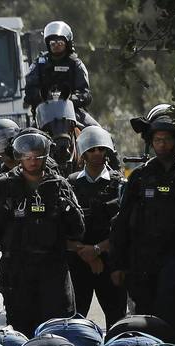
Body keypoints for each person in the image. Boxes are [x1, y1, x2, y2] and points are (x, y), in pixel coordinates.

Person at [108, 112, 175, 346]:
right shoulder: (140, 177)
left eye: (167, 139)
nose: (162, 144)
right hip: (142, 260)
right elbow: (122, 222)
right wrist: (117, 264)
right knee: (145, 313)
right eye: (157, 140)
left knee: (173, 308)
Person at [0, 130, 84, 337]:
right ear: (19, 156)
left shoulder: (58, 185)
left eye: (37, 156)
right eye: (27, 156)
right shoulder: (5, 185)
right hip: (18, 271)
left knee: (58, 331)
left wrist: (65, 208)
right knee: (22, 332)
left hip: (53, 270)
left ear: (45, 156)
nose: (32, 161)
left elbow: (78, 230)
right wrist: (4, 210)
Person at [66, 126, 124, 326]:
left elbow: (125, 228)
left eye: (101, 149)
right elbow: (61, 227)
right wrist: (87, 254)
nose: (97, 153)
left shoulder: (120, 184)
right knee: (74, 323)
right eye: (91, 150)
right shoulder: (70, 184)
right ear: (83, 153)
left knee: (117, 321)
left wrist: (98, 250)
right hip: (78, 262)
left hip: (111, 263)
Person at [24, 21, 95, 125]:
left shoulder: (76, 64)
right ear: (48, 44)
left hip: (75, 114)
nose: (56, 46)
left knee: (98, 131)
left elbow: (85, 94)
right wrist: (43, 96)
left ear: (67, 43)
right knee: (27, 134)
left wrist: (69, 98)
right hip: (43, 116)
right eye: (53, 43)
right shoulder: (39, 63)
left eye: (60, 43)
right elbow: (29, 92)